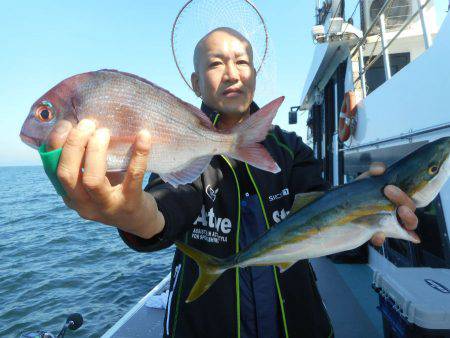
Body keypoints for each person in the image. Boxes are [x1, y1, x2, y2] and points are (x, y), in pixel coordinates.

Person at [45, 27, 419, 337]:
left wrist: (364, 201)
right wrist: (130, 213)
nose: (232, 73)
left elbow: (320, 208)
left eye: (242, 61)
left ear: (254, 74)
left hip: (298, 321)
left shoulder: (290, 150)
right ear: (195, 82)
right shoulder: (178, 150)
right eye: (215, 64)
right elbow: (168, 203)